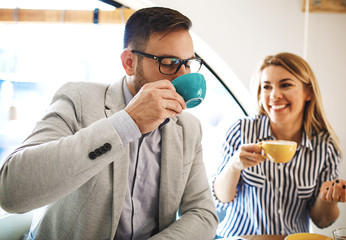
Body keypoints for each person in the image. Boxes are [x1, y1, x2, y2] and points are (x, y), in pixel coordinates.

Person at [0, 7, 218, 239]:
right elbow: (10, 192)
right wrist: (127, 123)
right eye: (170, 62)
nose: (183, 75)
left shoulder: (189, 129)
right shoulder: (78, 99)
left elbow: (203, 213)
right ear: (129, 63)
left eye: (188, 63)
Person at [212, 52, 346, 237]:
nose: (274, 95)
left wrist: (329, 199)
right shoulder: (241, 131)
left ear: (308, 92)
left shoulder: (325, 146)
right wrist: (234, 165)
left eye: (285, 85)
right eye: (266, 87)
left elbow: (322, 220)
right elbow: (221, 199)